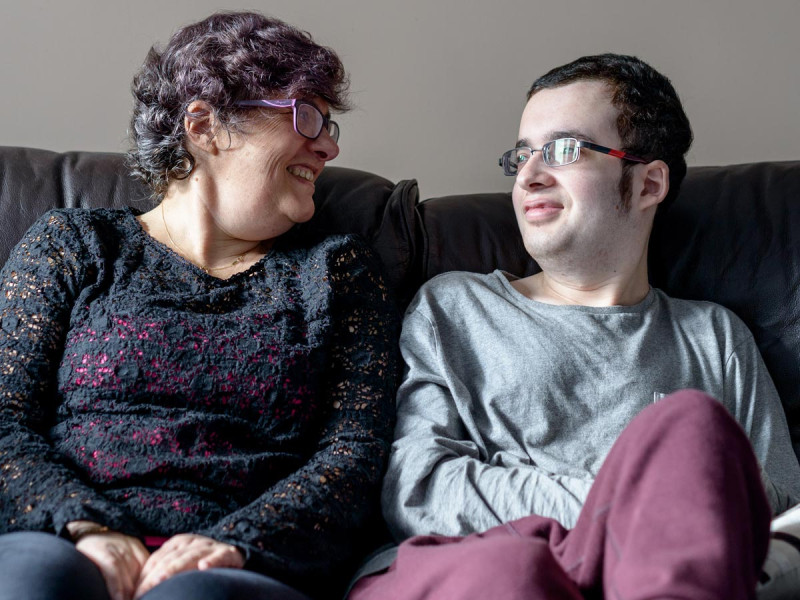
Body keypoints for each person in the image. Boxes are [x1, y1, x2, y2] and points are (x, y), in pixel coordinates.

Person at [348, 54, 800, 599]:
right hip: (474, 565)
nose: (529, 176)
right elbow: (420, 488)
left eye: (564, 150)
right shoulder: (454, 307)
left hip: (645, 577)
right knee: (514, 571)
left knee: (690, 425)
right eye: (522, 155)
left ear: (648, 184)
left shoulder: (713, 337)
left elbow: (781, 508)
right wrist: (639, 508)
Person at [0, 11, 398, 600]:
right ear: (204, 125)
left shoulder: (337, 273)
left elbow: (353, 457)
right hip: (63, 538)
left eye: (329, 123)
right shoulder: (74, 245)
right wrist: (86, 526)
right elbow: (5, 419)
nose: (329, 145)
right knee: (36, 580)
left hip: (242, 565)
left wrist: (232, 542)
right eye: (305, 116)